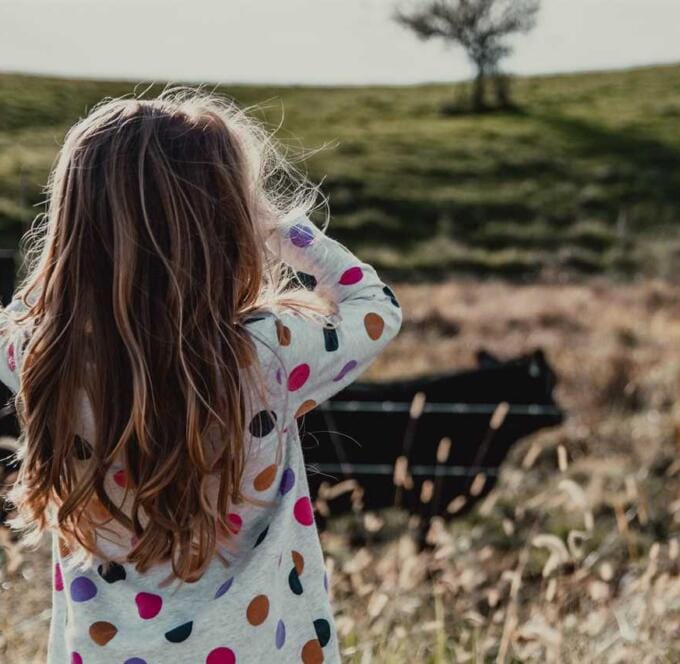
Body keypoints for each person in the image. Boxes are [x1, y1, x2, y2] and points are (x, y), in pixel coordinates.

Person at [0, 90, 402, 664]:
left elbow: (20, 315)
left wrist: (68, 267)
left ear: (74, 230)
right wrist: (281, 227)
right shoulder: (268, 353)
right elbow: (375, 307)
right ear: (230, 224)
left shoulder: (43, 358)